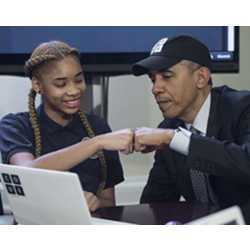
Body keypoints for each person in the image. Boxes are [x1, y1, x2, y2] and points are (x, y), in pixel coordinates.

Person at [0, 41, 134, 212]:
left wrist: (97, 204)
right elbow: (26, 172)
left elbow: (108, 200)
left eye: (78, 80)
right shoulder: (15, 126)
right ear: (37, 85)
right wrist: (95, 143)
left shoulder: (97, 127)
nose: (74, 90)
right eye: (60, 84)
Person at [131, 35, 250, 209]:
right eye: (153, 79)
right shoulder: (168, 129)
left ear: (201, 78)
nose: (156, 88)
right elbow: (157, 204)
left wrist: (176, 140)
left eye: (166, 76)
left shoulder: (242, 108)